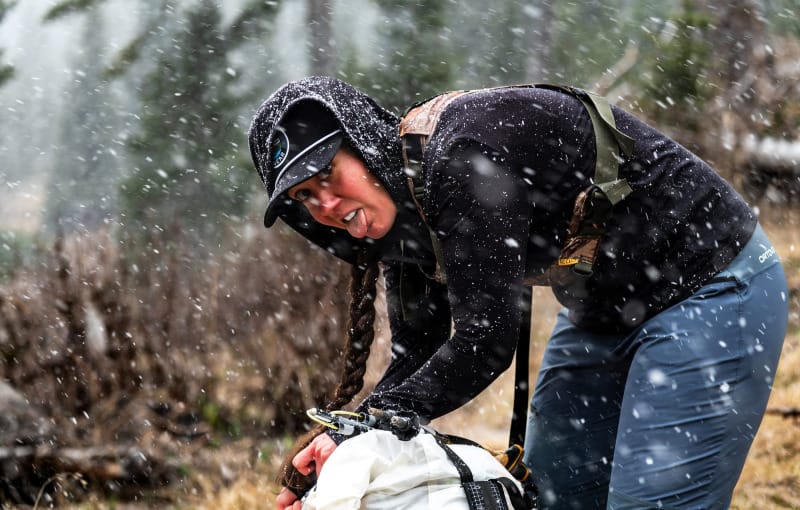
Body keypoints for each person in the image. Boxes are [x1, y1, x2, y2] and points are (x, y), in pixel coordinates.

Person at [247, 76, 788, 510]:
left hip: (714, 287)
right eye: (304, 196)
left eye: (328, 174)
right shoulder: (402, 214)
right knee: (553, 496)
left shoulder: (460, 159)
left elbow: (485, 342)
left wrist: (367, 426)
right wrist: (347, 442)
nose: (326, 205)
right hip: (606, 312)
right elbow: (419, 353)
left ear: (364, 146)